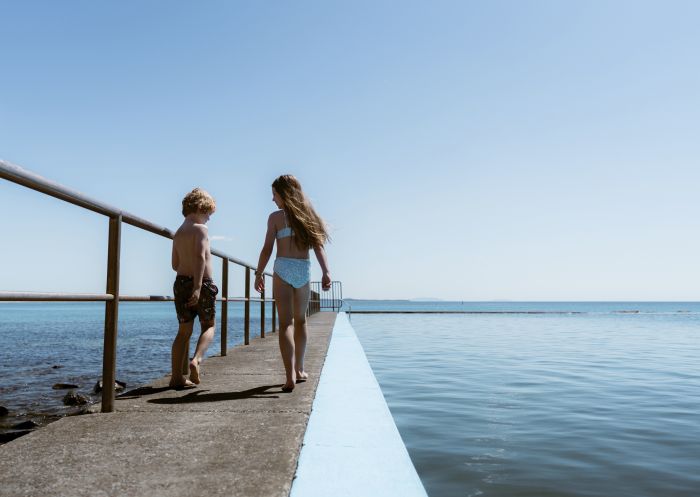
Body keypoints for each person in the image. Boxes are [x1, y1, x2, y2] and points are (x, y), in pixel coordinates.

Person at [254, 175, 331, 392]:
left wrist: (258, 273)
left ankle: (289, 377)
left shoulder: (275, 218)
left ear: (284, 194)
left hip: (282, 268)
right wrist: (326, 272)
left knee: (285, 323)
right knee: (300, 321)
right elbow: (318, 247)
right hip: (302, 269)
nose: (272, 199)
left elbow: (267, 249)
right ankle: (300, 369)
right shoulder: (309, 217)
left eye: (274, 194)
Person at [170, 188, 219, 389]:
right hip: (202, 284)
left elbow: (174, 264)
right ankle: (196, 359)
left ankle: (176, 378)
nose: (208, 219)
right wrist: (198, 287)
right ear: (200, 208)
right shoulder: (201, 230)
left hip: (180, 282)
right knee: (208, 326)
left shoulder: (178, 233)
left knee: (183, 332)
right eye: (208, 214)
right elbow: (200, 257)